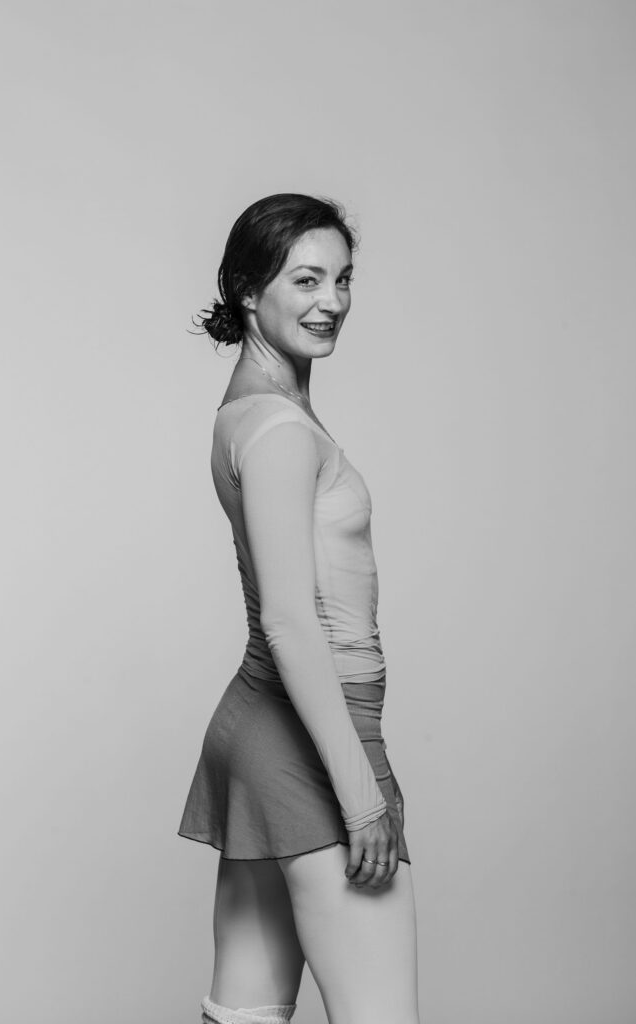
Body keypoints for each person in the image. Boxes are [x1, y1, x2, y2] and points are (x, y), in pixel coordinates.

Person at [178, 193, 420, 1024]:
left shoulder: (245, 409)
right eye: (306, 279)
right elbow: (288, 620)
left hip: (259, 728)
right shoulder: (279, 430)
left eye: (343, 279)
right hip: (312, 737)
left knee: (242, 1012)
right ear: (249, 291)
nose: (332, 302)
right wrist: (361, 796)